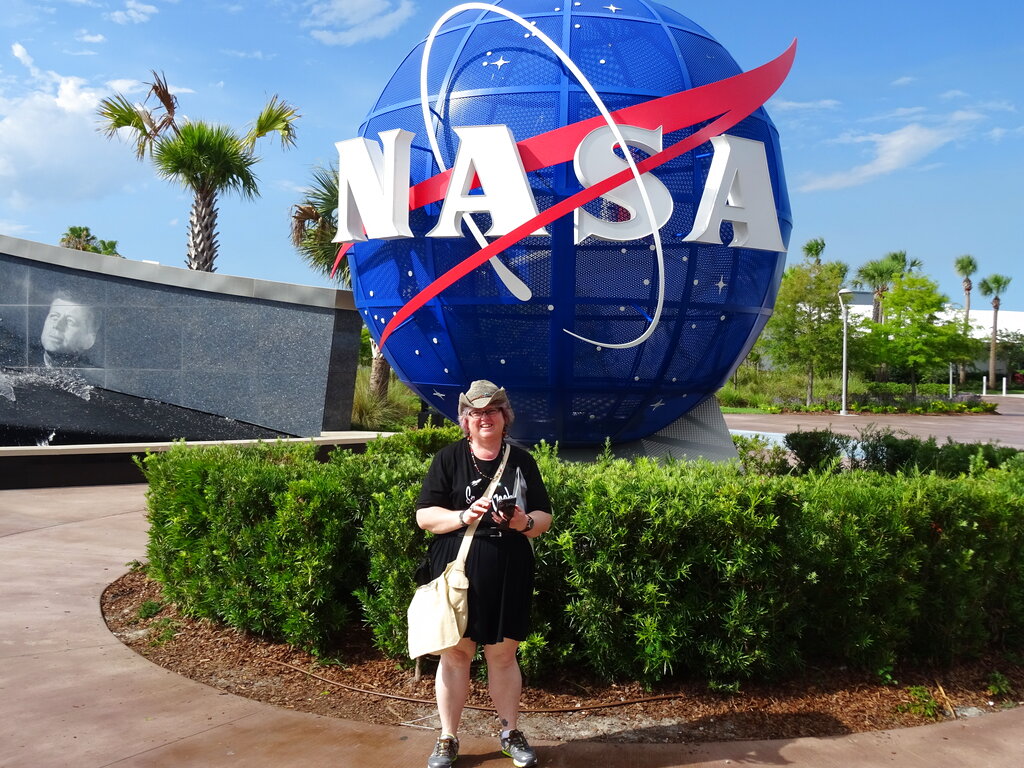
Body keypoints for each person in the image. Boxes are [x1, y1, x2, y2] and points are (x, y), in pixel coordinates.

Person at [416, 380, 552, 768]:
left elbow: (545, 518)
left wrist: (524, 522)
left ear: (504, 417)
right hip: (458, 571)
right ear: (465, 421)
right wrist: (463, 515)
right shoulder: (448, 458)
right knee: (456, 655)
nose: (484, 418)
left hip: (509, 571)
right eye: (475, 413)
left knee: (504, 655)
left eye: (491, 411)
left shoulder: (522, 461)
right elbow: (425, 516)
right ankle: (447, 737)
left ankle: (510, 732)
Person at [37, 292, 100, 369]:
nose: (56, 325)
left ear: (88, 340)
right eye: (54, 316)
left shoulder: (97, 377)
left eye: (70, 321)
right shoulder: (20, 363)